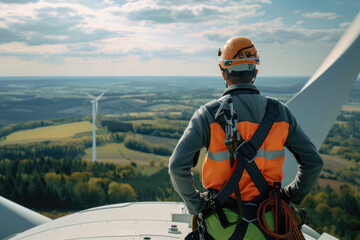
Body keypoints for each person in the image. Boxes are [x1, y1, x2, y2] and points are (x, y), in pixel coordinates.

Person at [168, 36, 324, 239]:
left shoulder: (207, 115)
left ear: (223, 73)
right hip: (272, 225)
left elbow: (176, 166)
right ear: (255, 73)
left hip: (221, 225)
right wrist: (288, 197)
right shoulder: (280, 113)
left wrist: (198, 205)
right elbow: (313, 162)